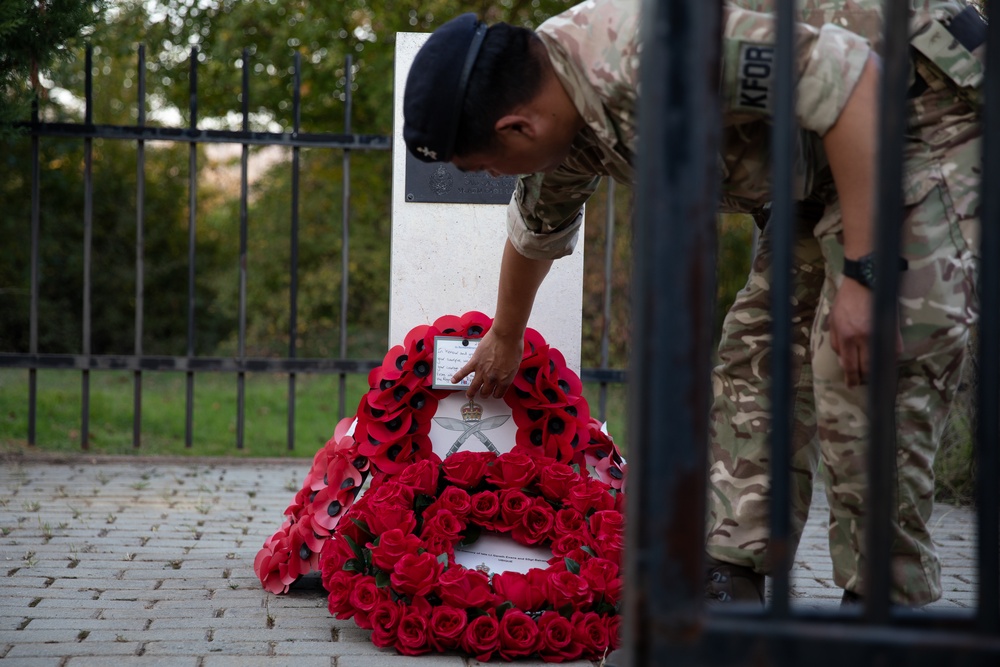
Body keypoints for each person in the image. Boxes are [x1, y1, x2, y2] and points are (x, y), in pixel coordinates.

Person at [403, 0, 981, 617]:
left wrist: (867, 277)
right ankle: (731, 580)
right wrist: (506, 335)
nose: (491, 178)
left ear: (518, 127)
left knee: (864, 361)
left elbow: (854, 80)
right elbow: (535, 232)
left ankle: (881, 606)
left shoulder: (651, 53)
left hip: (924, 110)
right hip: (821, 158)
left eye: (485, 165)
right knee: (756, 356)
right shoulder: (557, 106)